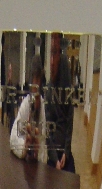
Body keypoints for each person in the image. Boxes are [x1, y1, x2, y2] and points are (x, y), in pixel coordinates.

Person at [46, 34, 75, 173]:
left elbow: (69, 124)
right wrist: (55, 159)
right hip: (53, 155)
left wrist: (65, 153)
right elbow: (47, 130)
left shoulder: (67, 93)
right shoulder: (49, 91)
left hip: (64, 154)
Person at [10, 55, 47, 163]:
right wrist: (25, 144)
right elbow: (13, 138)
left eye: (38, 80)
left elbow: (44, 148)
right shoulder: (26, 104)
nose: (36, 85)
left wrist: (37, 148)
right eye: (34, 80)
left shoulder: (44, 107)